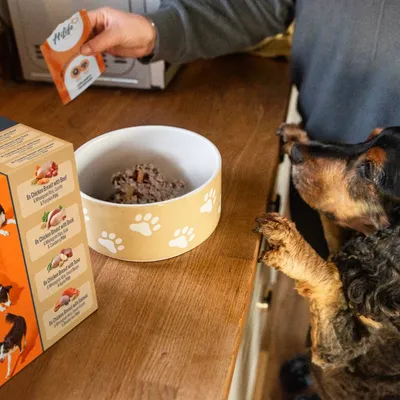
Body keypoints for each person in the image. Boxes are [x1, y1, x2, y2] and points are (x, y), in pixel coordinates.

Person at [81, 3, 399, 398]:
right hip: (332, 158)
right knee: (328, 286)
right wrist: (156, 29)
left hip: (382, 213)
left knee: (371, 349)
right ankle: (321, 363)